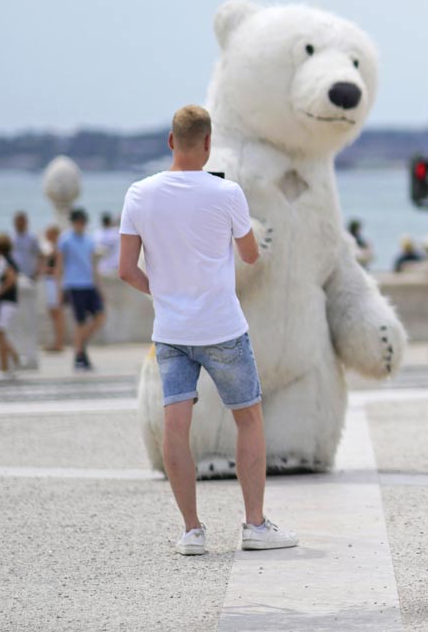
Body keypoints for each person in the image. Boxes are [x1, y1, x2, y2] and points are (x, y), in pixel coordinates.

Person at [118, 104, 297, 556]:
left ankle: (192, 532)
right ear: (209, 143)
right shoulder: (228, 193)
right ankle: (255, 525)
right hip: (221, 329)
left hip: (172, 331)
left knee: (176, 428)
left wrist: (162, 292)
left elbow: (125, 270)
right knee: (249, 420)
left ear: (171, 141)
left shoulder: (139, 194)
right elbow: (252, 255)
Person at [56, 208, 105, 371]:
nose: (81, 225)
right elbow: (59, 265)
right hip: (74, 284)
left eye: (83, 222)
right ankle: (79, 354)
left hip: (89, 284)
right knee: (80, 323)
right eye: (78, 222)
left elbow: (93, 265)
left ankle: (80, 346)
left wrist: (99, 288)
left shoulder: (89, 240)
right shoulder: (65, 240)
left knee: (100, 317)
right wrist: (59, 289)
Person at [0, 233, 20, 378]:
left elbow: (11, 279)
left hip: (7, 301)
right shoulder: (7, 260)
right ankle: (4, 366)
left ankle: (11, 360)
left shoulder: (5, 261)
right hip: (6, 302)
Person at [39, 224, 66, 352]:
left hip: (54, 284)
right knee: (54, 313)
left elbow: (59, 269)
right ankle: (57, 342)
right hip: (51, 283)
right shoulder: (54, 249)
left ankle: (59, 343)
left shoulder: (59, 249)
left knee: (57, 314)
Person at [11, 212, 41, 281]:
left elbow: (39, 255)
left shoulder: (32, 237)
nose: (18, 224)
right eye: (17, 222)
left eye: (21, 222)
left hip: (29, 274)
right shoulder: (11, 237)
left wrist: (38, 270)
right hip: (14, 274)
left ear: (26, 222)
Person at [96, 212, 121, 277]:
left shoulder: (98, 234)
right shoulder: (116, 233)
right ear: (110, 221)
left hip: (103, 268)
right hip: (116, 266)